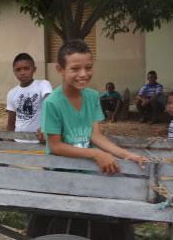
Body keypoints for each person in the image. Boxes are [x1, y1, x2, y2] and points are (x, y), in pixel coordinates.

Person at [41, 40, 148, 174]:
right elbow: (56, 146)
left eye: (88, 67)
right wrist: (96, 154)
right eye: (75, 69)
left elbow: (95, 135)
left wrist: (127, 155)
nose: (83, 74)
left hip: (87, 168)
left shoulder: (92, 96)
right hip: (60, 171)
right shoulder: (52, 103)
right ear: (60, 69)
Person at [5, 53, 52, 142]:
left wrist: (46, 126)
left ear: (34, 69)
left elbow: (49, 104)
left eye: (26, 68)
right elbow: (11, 122)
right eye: (18, 70)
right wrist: (8, 141)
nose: (22, 73)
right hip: (18, 140)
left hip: (39, 140)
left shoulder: (43, 85)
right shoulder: (12, 93)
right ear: (14, 72)